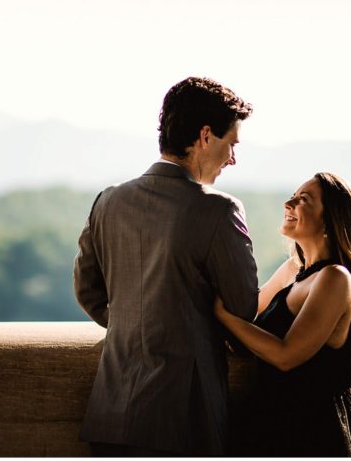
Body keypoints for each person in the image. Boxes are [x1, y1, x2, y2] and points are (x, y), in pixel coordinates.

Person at [73, 76, 260, 456]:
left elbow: (87, 290)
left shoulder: (108, 201)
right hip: (185, 420)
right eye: (231, 144)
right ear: (206, 136)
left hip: (110, 414)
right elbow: (243, 308)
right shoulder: (219, 210)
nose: (232, 159)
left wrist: (137, 322)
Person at [214, 172, 351, 457]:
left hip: (310, 432)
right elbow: (247, 308)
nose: (289, 202)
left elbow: (286, 355)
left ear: (330, 221)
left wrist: (221, 314)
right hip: (272, 421)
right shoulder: (293, 270)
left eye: (303, 199)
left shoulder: (335, 278)